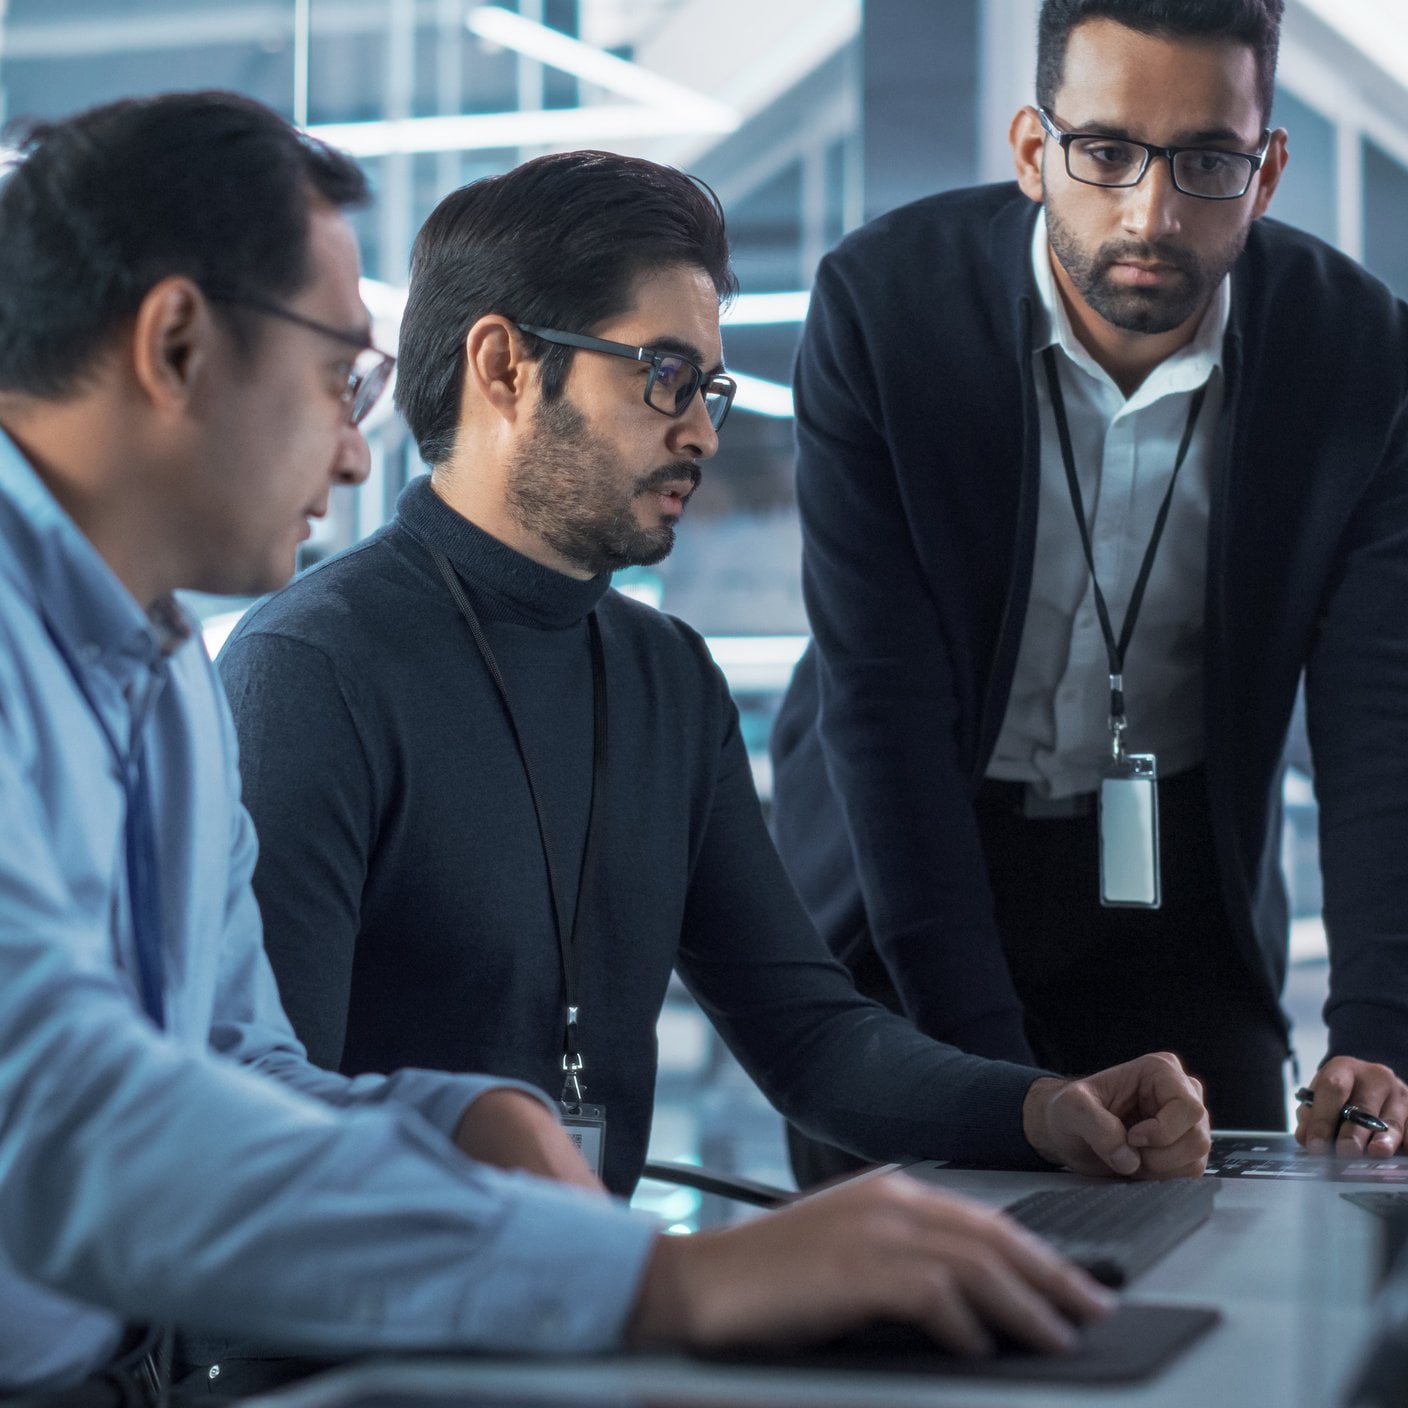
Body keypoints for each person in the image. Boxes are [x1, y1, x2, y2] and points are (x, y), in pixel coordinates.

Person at [0, 88, 1153, 1400]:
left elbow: (233, 1073)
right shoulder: (284, 666)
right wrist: (660, 1283)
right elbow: (61, 1114)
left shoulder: (160, 681)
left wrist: (456, 1118)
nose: (351, 434)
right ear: (177, 343)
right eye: (339, 373)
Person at [218, 146, 1209, 1233]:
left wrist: (1043, 1108)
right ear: (502, 365)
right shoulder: (312, 671)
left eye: (710, 389)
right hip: (359, 1354)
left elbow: (811, 1036)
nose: (699, 431)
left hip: (579, 1323)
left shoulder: (665, 678)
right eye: (663, 376)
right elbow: (264, 1130)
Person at [768, 0, 1408, 1188]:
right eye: (1104, 152)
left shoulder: (1360, 354)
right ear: (1030, 149)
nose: (1149, 214)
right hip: (902, 875)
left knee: (1223, 1293)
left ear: (1266, 172)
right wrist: (1003, 1093)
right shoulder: (882, 309)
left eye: (1206, 162)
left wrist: (1377, 1030)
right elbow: (882, 708)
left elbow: (1380, 719)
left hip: (1177, 892)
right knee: (919, 1303)